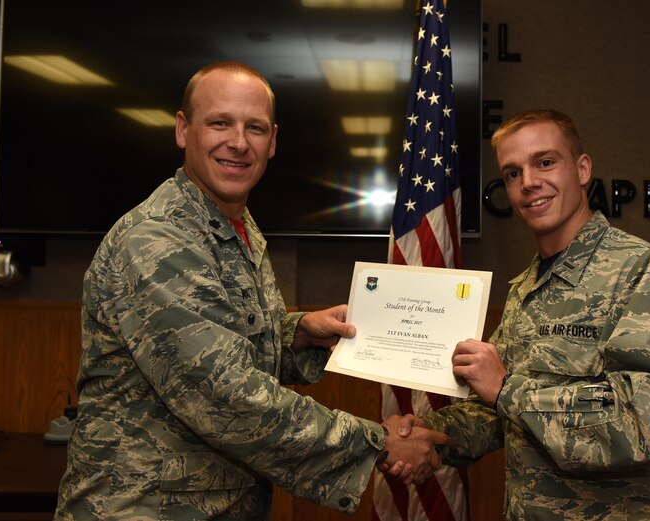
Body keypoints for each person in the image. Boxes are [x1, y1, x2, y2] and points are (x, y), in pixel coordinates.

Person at [55, 61, 449, 520]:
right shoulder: (157, 239)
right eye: (219, 122)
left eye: (255, 128)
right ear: (184, 130)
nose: (239, 142)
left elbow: (228, 340)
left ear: (273, 141)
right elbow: (223, 392)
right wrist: (377, 442)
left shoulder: (233, 225)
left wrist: (298, 332)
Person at [396, 109, 650, 520]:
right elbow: (496, 411)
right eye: (512, 173)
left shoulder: (645, 272)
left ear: (581, 169)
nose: (528, 183)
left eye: (544, 162)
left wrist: (509, 389)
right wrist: (433, 437)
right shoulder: (527, 286)